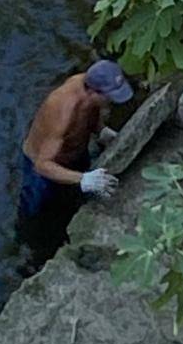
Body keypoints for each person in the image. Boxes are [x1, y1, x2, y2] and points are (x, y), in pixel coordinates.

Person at [17, 60, 134, 267]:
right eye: (109, 97)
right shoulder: (63, 109)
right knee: (35, 211)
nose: (112, 102)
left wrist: (101, 131)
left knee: (73, 197)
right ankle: (31, 247)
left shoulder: (90, 85)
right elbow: (42, 165)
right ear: (94, 93)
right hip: (43, 167)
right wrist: (83, 179)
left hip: (75, 152)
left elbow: (93, 110)